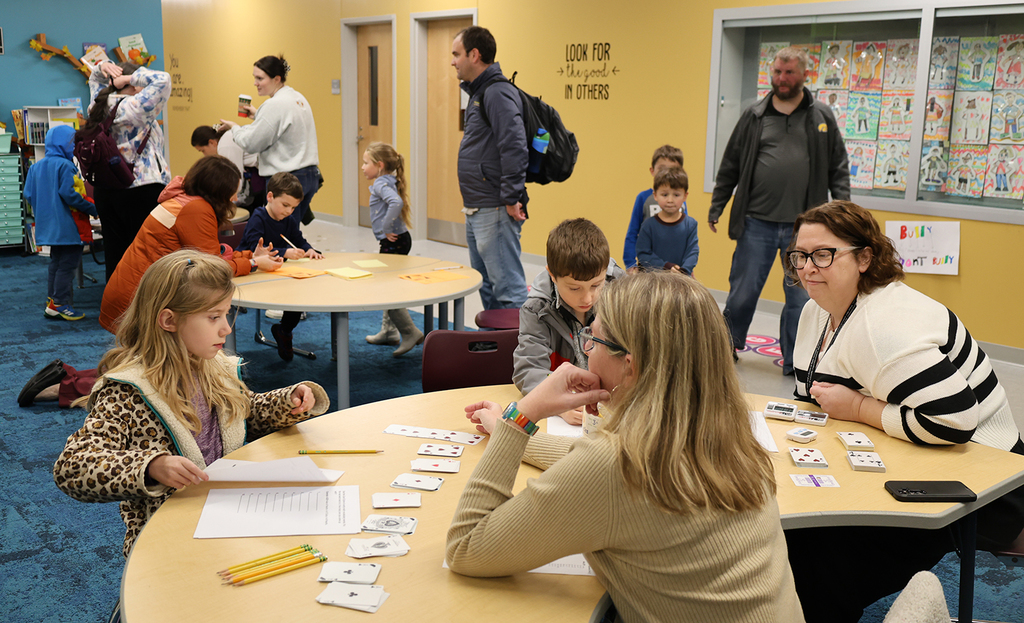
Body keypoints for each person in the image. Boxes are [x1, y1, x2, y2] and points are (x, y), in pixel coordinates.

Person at [447, 272, 804, 622]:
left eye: (593, 340)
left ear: (629, 365)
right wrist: (511, 434)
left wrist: (522, 415)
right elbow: (590, 465)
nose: (586, 349)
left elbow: (466, 547)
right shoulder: (728, 432)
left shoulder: (614, 465)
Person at [784, 200, 1024, 622]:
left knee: (821, 556)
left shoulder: (884, 325)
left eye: (823, 254)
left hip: (984, 477)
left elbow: (955, 421)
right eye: (800, 256)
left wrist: (858, 407)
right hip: (905, 451)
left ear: (864, 257)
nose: (807, 268)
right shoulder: (815, 311)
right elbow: (811, 396)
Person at [53, 249, 330, 562]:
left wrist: (287, 400)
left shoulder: (213, 367)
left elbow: (243, 414)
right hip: (169, 541)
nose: (226, 328)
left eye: (226, 314)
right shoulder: (128, 392)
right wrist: (150, 466)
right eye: (213, 317)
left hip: (227, 519)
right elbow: (72, 467)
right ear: (169, 320)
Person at [709, 45, 849, 374]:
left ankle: (794, 361)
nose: (781, 78)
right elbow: (730, 163)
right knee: (741, 295)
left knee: (801, 300)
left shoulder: (821, 117)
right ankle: (725, 348)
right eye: (777, 72)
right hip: (756, 223)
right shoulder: (755, 116)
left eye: (788, 72)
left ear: (804, 75)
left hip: (804, 230)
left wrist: (843, 214)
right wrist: (718, 204)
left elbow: (838, 168)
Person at [100, 155, 282, 334]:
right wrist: (254, 264)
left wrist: (251, 256)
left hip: (138, 292)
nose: (234, 198)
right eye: (233, 190)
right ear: (219, 190)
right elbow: (212, 269)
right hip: (139, 301)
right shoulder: (196, 209)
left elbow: (209, 254)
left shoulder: (186, 199)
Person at [513, 218, 623, 425]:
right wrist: (559, 403)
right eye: (574, 288)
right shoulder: (537, 309)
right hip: (568, 410)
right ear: (552, 276)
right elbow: (528, 368)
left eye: (596, 285)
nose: (588, 298)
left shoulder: (621, 290)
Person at [451, 26, 529, 311]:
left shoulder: (496, 93)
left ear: (475, 54)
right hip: (477, 206)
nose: (453, 61)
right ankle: (493, 347)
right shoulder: (479, 93)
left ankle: (521, 353)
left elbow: (515, 146)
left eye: (456, 54)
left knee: (508, 290)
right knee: (486, 285)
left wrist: (510, 197)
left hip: (495, 207)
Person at [84, 60, 171, 281]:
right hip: (140, 188)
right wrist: (129, 78)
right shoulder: (135, 106)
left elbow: (94, 79)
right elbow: (163, 79)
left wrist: (102, 66)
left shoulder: (97, 106)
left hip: (106, 189)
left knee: (115, 253)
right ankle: (145, 310)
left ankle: (116, 310)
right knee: (145, 255)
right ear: (134, 85)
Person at [220, 55, 320, 227]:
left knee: (279, 234)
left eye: (260, 78)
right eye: (254, 78)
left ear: (277, 79)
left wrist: (234, 128)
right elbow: (284, 128)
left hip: (286, 179)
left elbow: (251, 143)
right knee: (290, 232)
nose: (255, 83)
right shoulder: (297, 97)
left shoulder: (274, 104)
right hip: (310, 175)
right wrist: (259, 115)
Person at [237, 172, 323, 361]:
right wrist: (285, 252)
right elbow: (254, 249)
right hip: (253, 272)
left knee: (297, 295)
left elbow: (298, 240)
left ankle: (284, 331)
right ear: (270, 197)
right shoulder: (258, 218)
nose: (289, 211)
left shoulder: (289, 220)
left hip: (276, 273)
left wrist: (309, 249)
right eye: (285, 205)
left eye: (293, 207)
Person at [24, 125, 98, 321]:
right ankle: (60, 304)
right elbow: (70, 194)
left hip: (48, 227)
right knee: (68, 265)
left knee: (56, 264)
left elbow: (28, 194)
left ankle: (53, 301)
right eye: (72, 143)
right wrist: (93, 209)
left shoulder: (35, 167)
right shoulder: (66, 166)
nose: (74, 147)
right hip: (68, 226)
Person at [360, 142, 423, 356]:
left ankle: (409, 332)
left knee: (387, 289)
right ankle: (388, 331)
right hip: (399, 240)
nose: (362, 167)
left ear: (379, 165)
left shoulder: (380, 184)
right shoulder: (387, 180)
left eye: (365, 163)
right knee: (389, 284)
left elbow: (395, 202)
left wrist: (386, 228)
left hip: (393, 241)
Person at [622, 144, 685, 269]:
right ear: (652, 171)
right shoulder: (643, 198)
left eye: (672, 170)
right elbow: (633, 232)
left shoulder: (681, 201)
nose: (666, 173)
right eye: (662, 169)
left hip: (674, 268)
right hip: (648, 266)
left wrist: (688, 267)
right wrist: (630, 263)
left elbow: (685, 235)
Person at [636, 167, 699, 274]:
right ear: (655, 195)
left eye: (676, 195)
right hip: (653, 281)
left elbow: (693, 252)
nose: (670, 200)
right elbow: (643, 254)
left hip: (680, 280)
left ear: (685, 196)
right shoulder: (648, 225)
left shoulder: (691, 224)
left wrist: (684, 270)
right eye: (665, 195)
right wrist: (666, 266)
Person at [191, 124, 264, 209]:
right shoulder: (227, 137)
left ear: (211, 142)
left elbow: (234, 179)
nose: (204, 155)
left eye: (203, 150)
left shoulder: (225, 143)